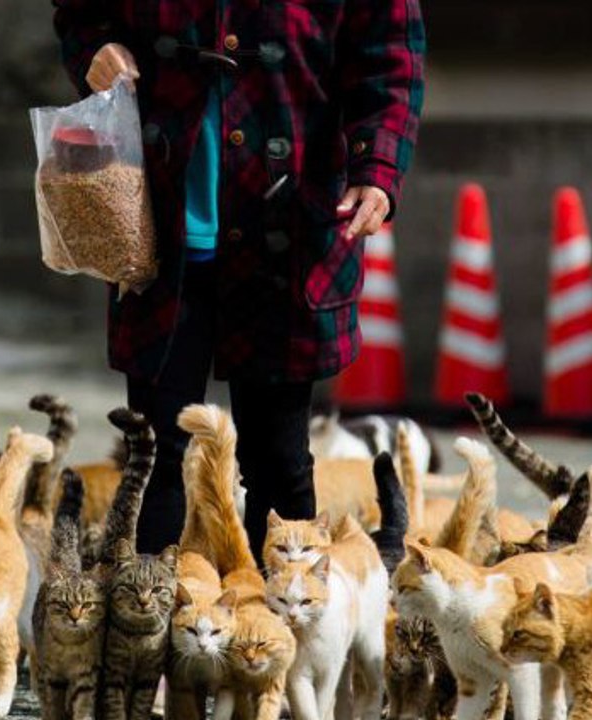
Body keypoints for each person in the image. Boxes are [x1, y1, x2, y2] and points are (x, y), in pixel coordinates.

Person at [53, 0, 425, 559]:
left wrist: (377, 172)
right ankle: (153, 630)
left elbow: (391, 59)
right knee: (157, 460)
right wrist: (95, 50)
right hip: (160, 225)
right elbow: (81, 12)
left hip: (287, 228)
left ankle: (283, 632)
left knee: (279, 461)